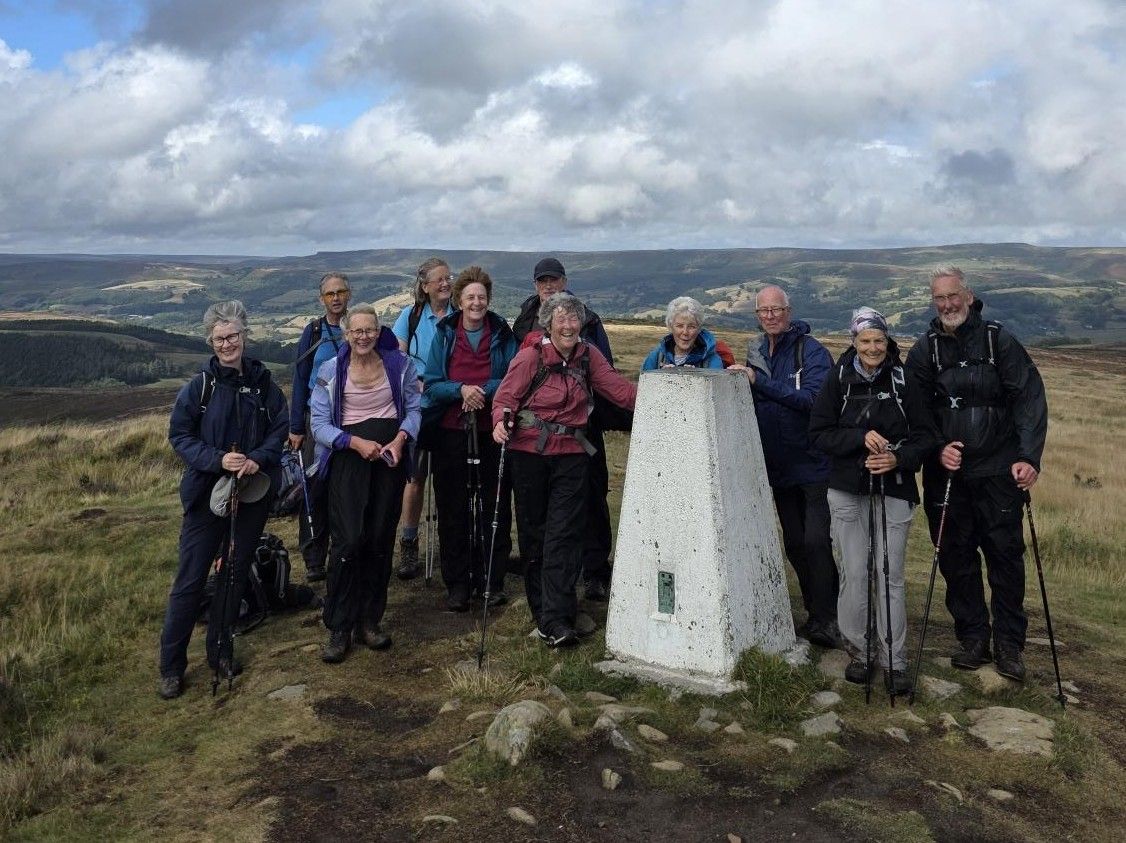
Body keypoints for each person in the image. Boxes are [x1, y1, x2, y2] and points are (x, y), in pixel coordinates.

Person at [905, 267, 1047, 681]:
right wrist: (936, 447)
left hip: (998, 471)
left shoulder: (997, 340)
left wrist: (1029, 457)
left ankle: (1008, 645)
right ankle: (972, 638)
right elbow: (915, 411)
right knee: (955, 557)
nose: (947, 305)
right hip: (946, 475)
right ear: (933, 302)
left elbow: (1029, 399)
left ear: (968, 296)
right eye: (939, 299)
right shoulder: (924, 350)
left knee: (1005, 558)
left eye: (953, 296)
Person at [492, 293, 637, 646]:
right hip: (528, 454)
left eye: (574, 319)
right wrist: (500, 421)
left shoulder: (590, 356)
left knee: (565, 533)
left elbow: (620, 392)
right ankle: (545, 613)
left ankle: (557, 617)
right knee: (535, 533)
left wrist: (667, 391)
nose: (569, 325)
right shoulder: (530, 358)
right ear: (548, 324)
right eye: (562, 319)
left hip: (572, 453)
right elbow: (505, 398)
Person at [160, 301, 288, 699]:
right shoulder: (200, 387)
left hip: (251, 493)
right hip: (206, 494)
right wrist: (217, 459)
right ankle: (171, 667)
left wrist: (257, 460)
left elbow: (280, 429)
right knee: (191, 579)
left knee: (234, 574)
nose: (226, 343)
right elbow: (180, 435)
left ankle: (221, 652)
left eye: (233, 336)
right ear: (210, 341)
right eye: (219, 338)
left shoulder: (264, 384)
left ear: (245, 336)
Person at [810, 308, 939, 694]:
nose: (872, 348)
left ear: (888, 342)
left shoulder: (905, 381)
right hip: (847, 489)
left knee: (890, 576)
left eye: (878, 340)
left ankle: (894, 661)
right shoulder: (838, 380)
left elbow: (927, 436)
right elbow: (818, 433)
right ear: (853, 342)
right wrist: (858, 437)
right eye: (864, 341)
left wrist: (898, 457)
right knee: (853, 572)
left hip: (895, 489)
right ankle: (861, 653)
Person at [727, 285, 839, 648]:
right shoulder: (756, 349)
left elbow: (812, 400)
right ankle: (815, 613)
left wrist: (762, 382)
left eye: (776, 310)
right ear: (757, 315)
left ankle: (829, 618)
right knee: (794, 544)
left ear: (789, 312)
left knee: (816, 541)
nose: (770, 316)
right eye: (764, 311)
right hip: (777, 467)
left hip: (814, 464)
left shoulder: (812, 352)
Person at [311, 304, 421, 663]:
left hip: (389, 460)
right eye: (356, 331)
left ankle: (370, 621)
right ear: (346, 335)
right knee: (348, 542)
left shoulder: (398, 365)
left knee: (378, 540)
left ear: (378, 332)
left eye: (369, 330)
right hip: (348, 461)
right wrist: (354, 443)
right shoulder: (331, 370)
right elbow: (319, 425)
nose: (363, 337)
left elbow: (415, 408)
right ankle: (339, 626)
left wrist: (401, 439)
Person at [511, 257, 617, 601]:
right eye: (543, 281)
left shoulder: (585, 316)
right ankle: (551, 578)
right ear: (535, 285)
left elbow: (606, 372)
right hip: (536, 438)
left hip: (583, 427)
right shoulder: (525, 320)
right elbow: (518, 374)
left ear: (565, 281)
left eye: (554, 280)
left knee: (591, 497)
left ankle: (596, 570)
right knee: (544, 511)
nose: (549, 286)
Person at [421, 266, 518, 611]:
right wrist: (460, 390)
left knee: (494, 506)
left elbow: (512, 377)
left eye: (482, 297)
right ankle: (458, 584)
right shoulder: (444, 334)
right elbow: (431, 382)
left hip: (493, 430)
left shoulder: (503, 334)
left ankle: (492, 578)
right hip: (451, 430)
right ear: (459, 301)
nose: (476, 302)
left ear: (488, 300)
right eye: (470, 297)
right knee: (453, 510)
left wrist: (482, 392)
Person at [392, 257, 454, 579]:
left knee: (447, 480)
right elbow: (397, 357)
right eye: (439, 279)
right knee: (415, 479)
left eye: (449, 278)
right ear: (425, 285)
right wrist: (412, 380)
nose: (446, 283)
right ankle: (409, 544)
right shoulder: (410, 317)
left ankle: (451, 545)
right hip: (417, 409)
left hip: (450, 409)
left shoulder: (460, 318)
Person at [288, 272, 351, 582]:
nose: (336, 298)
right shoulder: (312, 332)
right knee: (315, 488)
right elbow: (300, 378)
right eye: (330, 294)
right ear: (321, 299)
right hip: (317, 421)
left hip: (353, 421)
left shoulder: (359, 328)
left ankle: (343, 553)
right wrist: (295, 426)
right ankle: (314, 558)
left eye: (340, 292)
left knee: (345, 489)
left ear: (348, 294)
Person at [641, 296, 725, 371]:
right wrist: (663, 377)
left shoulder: (711, 360)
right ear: (671, 327)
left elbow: (716, 387)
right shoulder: (656, 357)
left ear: (699, 329)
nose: (685, 332)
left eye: (691, 326)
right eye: (680, 326)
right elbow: (644, 385)